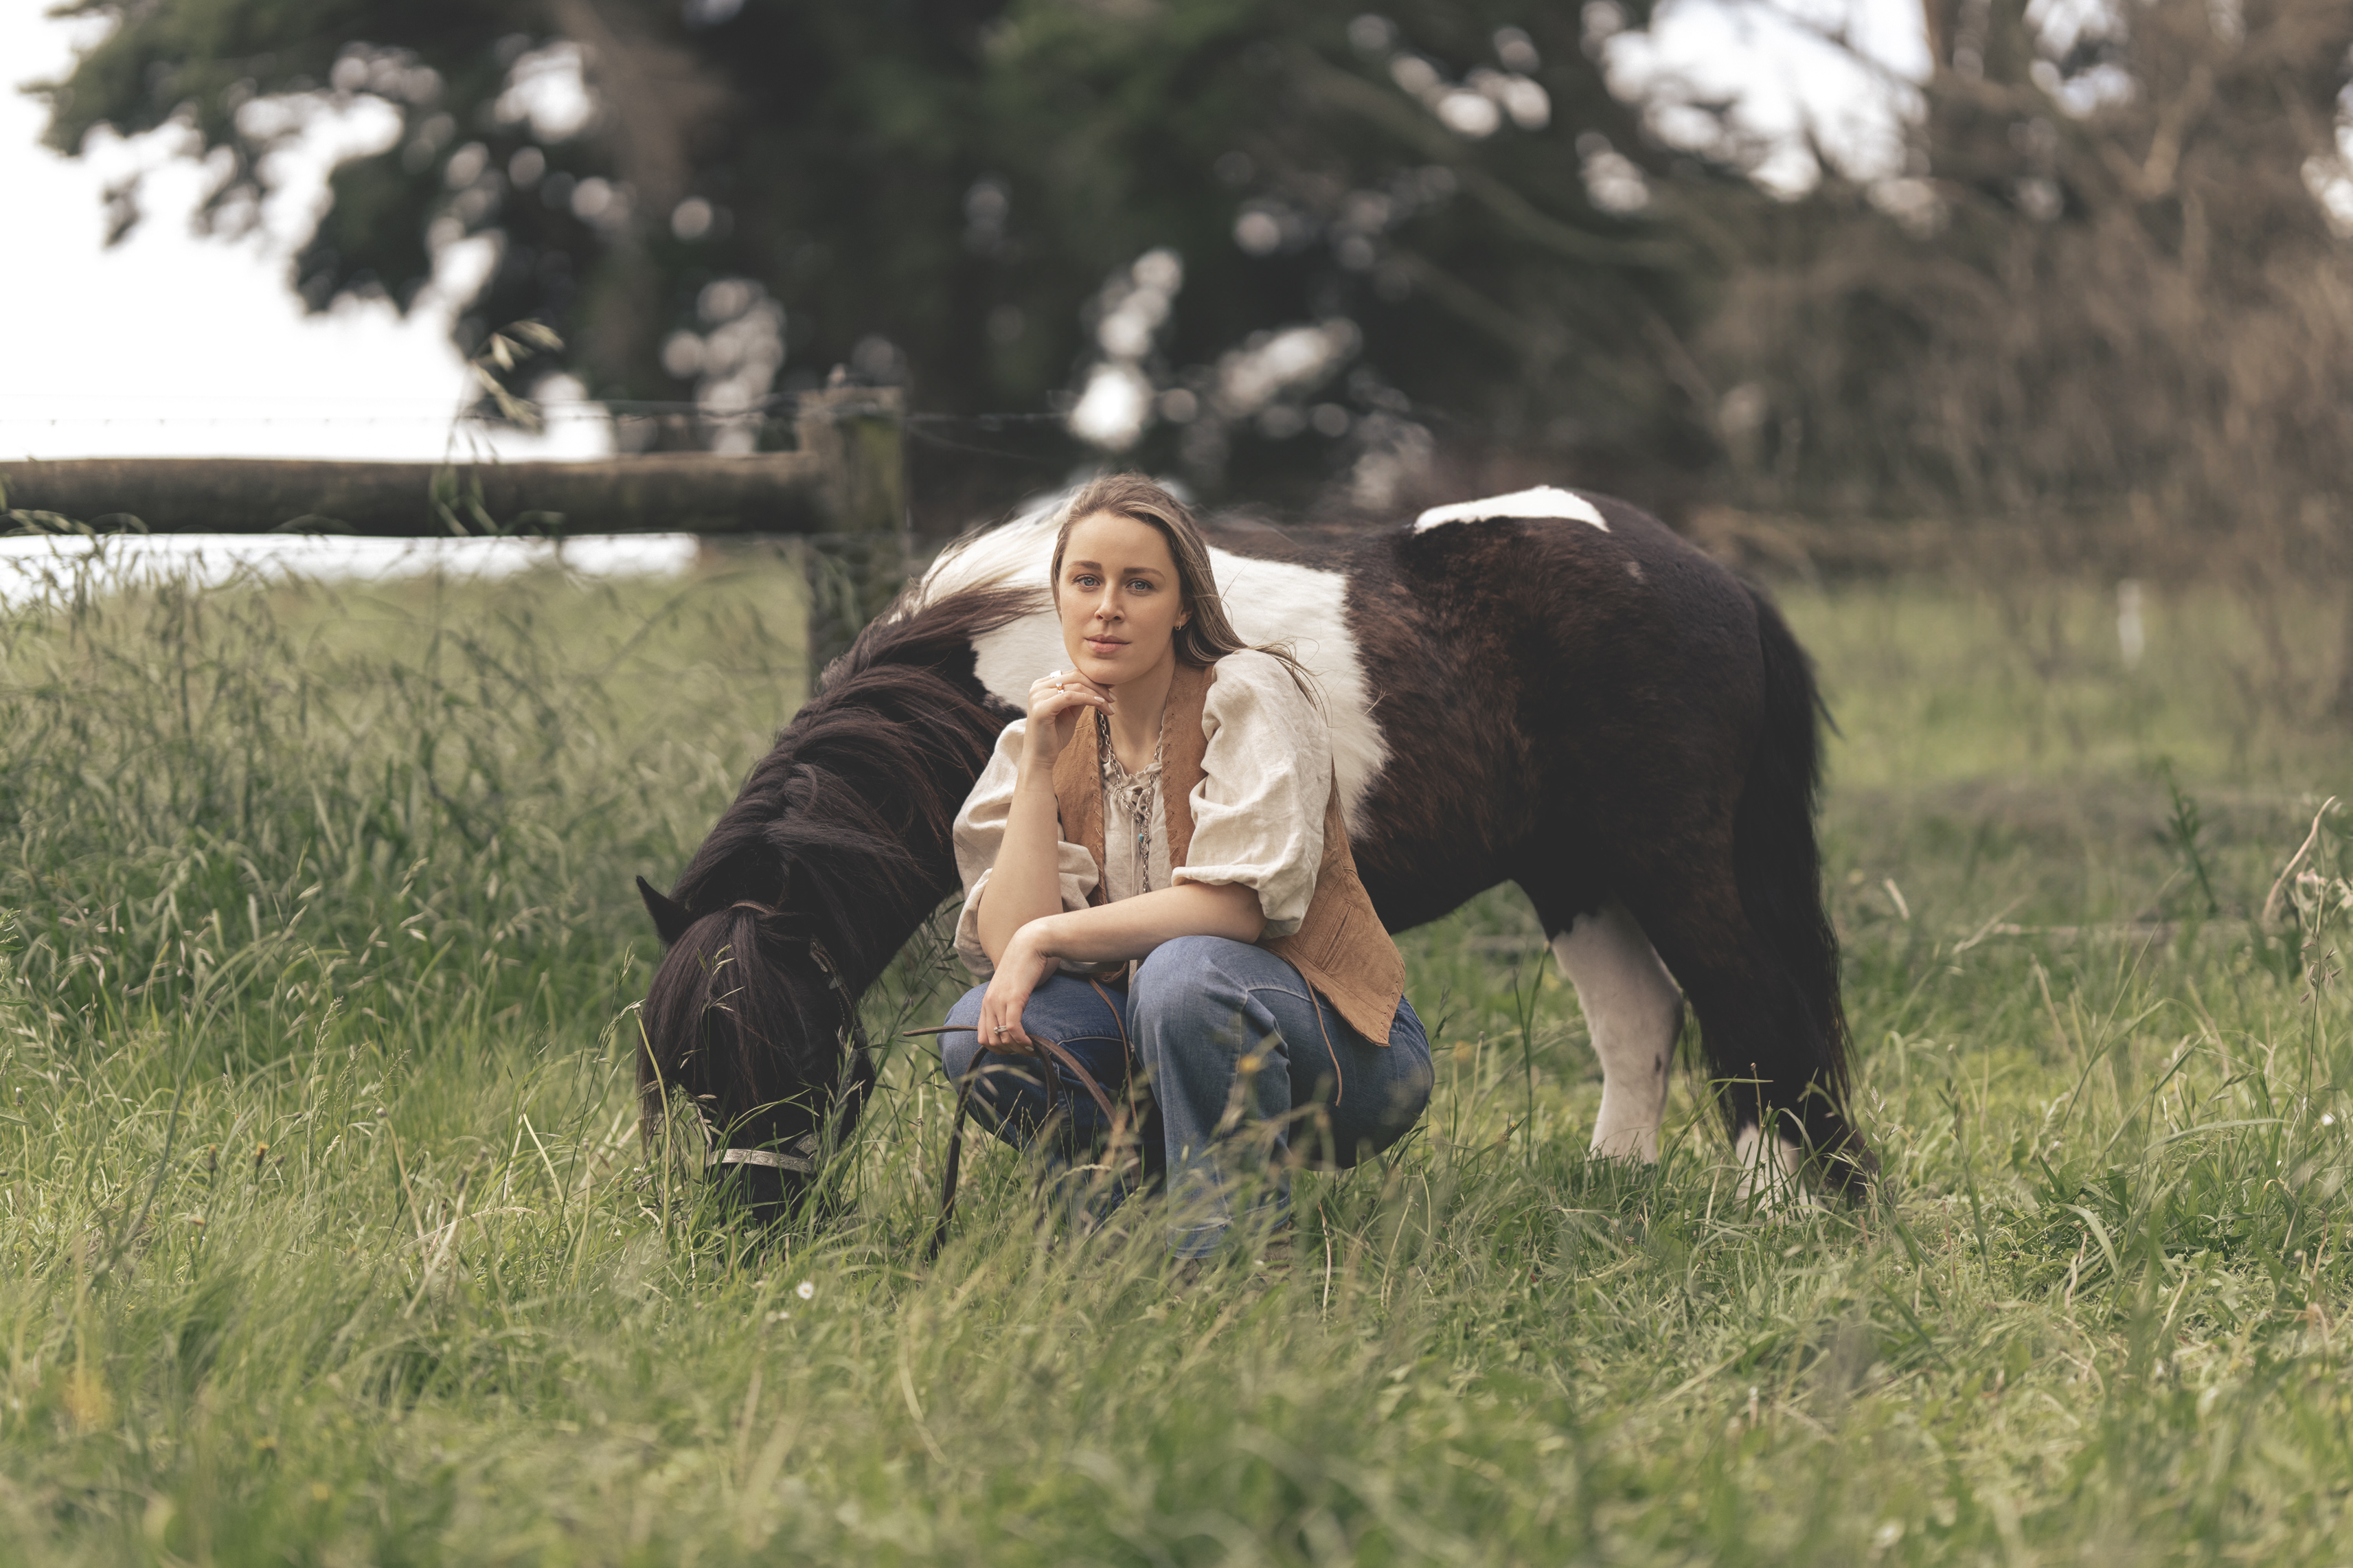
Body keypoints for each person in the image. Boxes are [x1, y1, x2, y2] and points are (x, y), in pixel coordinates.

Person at [940, 473, 1434, 1262]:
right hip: (1160, 1044)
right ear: (1058, 596)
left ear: (1182, 606)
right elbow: (1008, 945)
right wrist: (1037, 771)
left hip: (1342, 1058)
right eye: (1086, 581)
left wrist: (1047, 937)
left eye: (1139, 585)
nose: (1107, 607)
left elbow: (1237, 908)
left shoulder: (1247, 692)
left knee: (1184, 974)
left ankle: (1233, 1255)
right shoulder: (1039, 737)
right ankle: (1121, 1232)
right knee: (979, 1030)